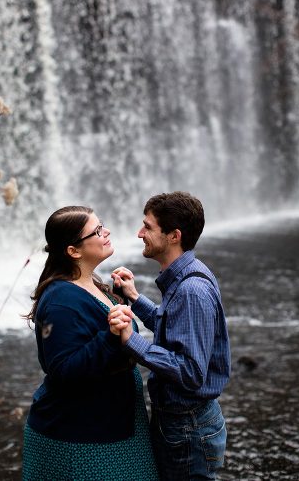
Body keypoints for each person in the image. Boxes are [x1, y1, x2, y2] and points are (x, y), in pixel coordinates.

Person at [22, 206, 158, 480]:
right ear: (73, 251)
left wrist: (122, 298)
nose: (106, 232)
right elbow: (62, 370)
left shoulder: (92, 283)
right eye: (97, 231)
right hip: (81, 438)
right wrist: (109, 335)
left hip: (112, 426)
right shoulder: (61, 300)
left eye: (102, 224)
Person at [108, 191, 231, 481]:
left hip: (188, 428)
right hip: (183, 423)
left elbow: (190, 372)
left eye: (148, 227)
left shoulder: (191, 290)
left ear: (173, 236)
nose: (140, 234)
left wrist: (131, 341)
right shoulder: (187, 275)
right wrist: (135, 299)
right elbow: (174, 326)